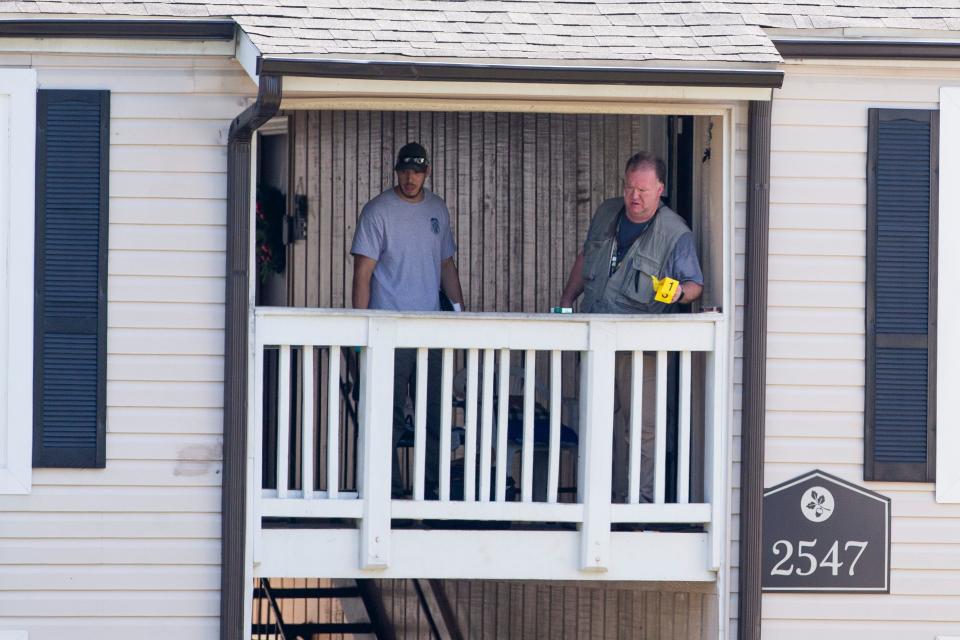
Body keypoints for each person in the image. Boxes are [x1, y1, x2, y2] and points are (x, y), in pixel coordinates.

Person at [559, 151, 703, 503]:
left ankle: (637, 507)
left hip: (643, 348)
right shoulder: (607, 212)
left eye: (642, 190)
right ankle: (595, 502)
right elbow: (585, 258)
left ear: (660, 190)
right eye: (628, 188)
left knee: (643, 430)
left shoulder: (676, 232)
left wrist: (677, 292)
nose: (633, 197)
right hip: (596, 335)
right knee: (593, 424)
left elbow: (695, 285)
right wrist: (565, 303)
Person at [351, 142, 465, 498]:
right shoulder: (378, 211)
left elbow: (446, 264)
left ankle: (431, 489)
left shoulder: (437, 209)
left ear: (427, 171)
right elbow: (362, 276)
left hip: (430, 330)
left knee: (435, 415)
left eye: (416, 171)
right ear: (396, 171)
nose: (410, 177)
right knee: (389, 417)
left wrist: (460, 313)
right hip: (388, 331)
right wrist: (361, 330)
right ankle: (390, 491)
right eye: (404, 170)